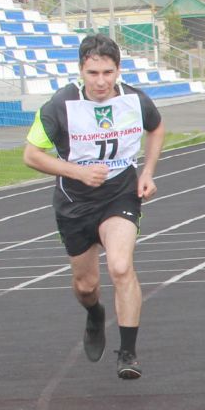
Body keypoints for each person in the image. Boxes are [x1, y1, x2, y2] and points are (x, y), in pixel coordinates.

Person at [24, 33, 166, 380]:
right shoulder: (60, 106)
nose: (101, 81)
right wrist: (77, 172)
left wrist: (147, 172)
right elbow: (31, 155)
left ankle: (128, 352)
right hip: (75, 202)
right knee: (86, 285)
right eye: (93, 74)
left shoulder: (135, 100)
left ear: (118, 70)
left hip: (120, 194)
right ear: (80, 71)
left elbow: (157, 127)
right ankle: (93, 313)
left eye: (108, 72)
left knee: (120, 266)